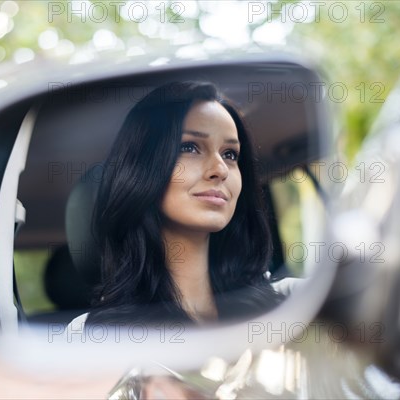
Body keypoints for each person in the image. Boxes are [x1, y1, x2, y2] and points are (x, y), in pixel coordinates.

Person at [71, 81, 283, 330]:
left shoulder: (293, 303)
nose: (220, 170)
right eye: (190, 147)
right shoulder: (91, 336)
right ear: (141, 170)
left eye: (230, 154)